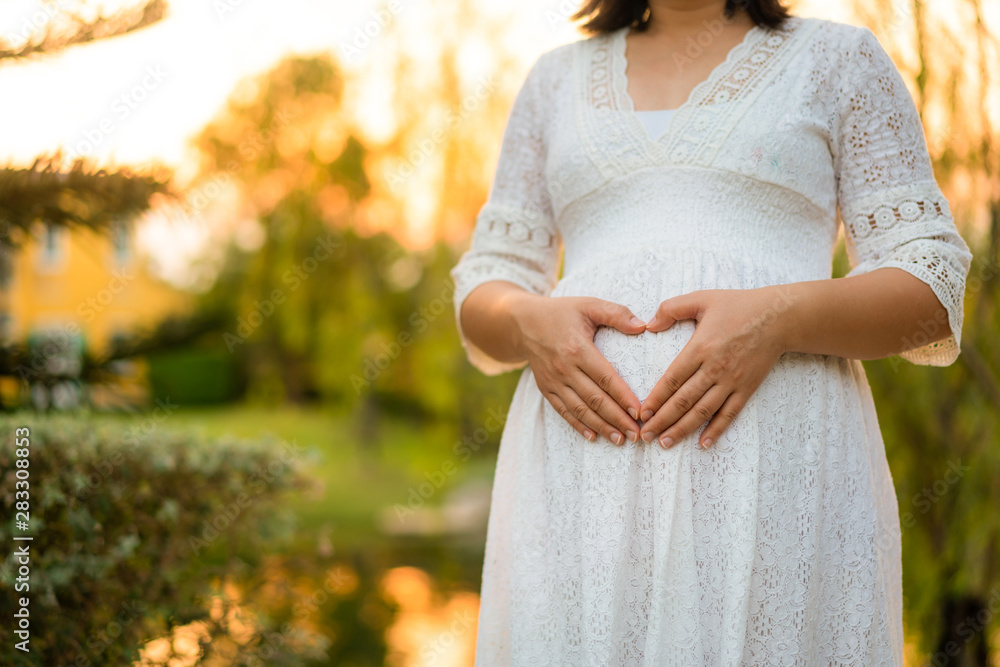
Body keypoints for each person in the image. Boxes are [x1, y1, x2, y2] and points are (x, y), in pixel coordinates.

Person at [449, 0, 973, 663]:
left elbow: (931, 288)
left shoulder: (837, 60)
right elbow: (487, 284)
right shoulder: (553, 80)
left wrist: (778, 317)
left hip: (780, 488)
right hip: (577, 493)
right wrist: (527, 321)